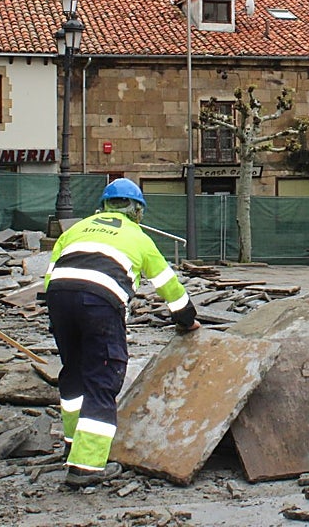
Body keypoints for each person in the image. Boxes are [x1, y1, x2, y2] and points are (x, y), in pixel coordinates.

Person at [43, 178, 200, 486]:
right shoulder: (137, 236)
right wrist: (186, 319)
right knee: (103, 377)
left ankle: (73, 446)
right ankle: (87, 467)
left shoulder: (76, 229)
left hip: (59, 297)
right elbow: (168, 285)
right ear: (137, 210)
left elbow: (50, 276)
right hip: (100, 301)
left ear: (103, 206)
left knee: (74, 373)